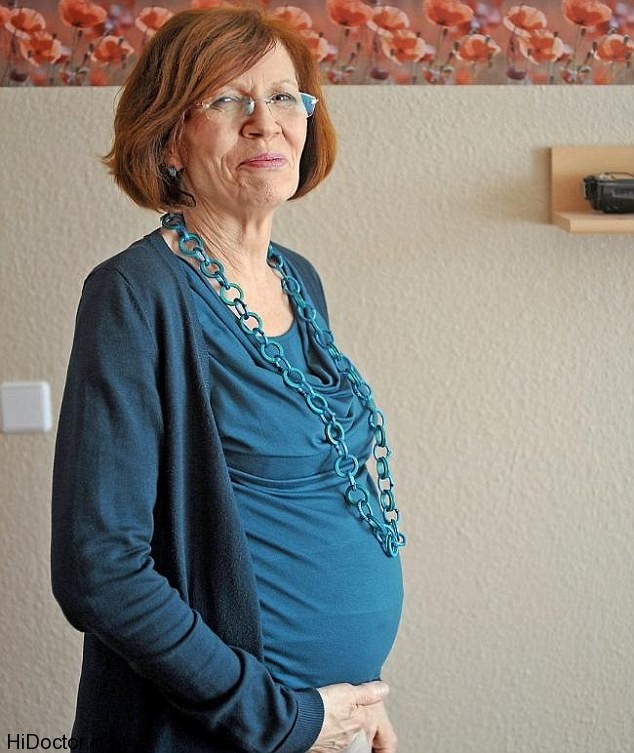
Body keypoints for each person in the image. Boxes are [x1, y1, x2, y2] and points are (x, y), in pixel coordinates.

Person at [51, 7, 405, 753]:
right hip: (219, 731)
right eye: (226, 99)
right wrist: (280, 718)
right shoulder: (135, 295)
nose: (264, 123)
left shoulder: (296, 277)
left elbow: (317, 493)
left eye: (282, 97)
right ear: (169, 138)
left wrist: (357, 694)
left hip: (331, 720)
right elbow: (99, 571)